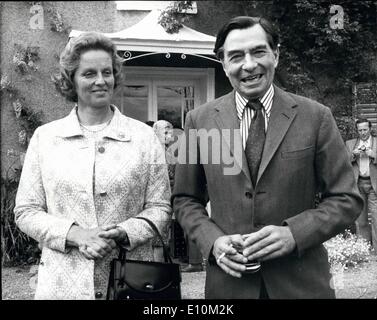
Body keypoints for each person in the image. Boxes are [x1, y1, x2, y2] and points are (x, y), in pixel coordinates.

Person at [172, 16, 363, 298]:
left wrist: (295, 233)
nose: (249, 65)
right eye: (236, 56)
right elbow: (184, 199)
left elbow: (347, 198)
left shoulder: (316, 117)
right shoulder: (197, 121)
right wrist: (213, 242)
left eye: (258, 52)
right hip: (228, 287)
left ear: (276, 55)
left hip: (301, 285)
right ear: (223, 64)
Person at [14, 32, 172, 300]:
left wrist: (123, 232)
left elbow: (161, 208)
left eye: (107, 72)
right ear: (71, 80)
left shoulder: (143, 137)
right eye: (89, 74)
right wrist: (76, 234)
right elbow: (26, 211)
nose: (101, 81)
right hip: (63, 285)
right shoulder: (46, 138)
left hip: (130, 283)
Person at [346, 118, 377, 252]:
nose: (363, 133)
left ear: (370, 128)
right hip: (358, 184)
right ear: (357, 130)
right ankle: (364, 249)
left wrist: (374, 155)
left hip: (374, 184)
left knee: (376, 218)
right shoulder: (350, 144)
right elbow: (342, 162)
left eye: (365, 129)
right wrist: (353, 155)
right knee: (361, 219)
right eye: (360, 130)